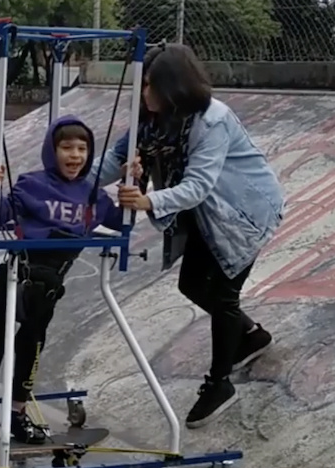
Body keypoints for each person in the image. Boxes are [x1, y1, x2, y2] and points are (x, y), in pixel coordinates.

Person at [94, 44, 285, 429]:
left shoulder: (211, 121)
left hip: (242, 213)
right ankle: (250, 337)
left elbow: (198, 185)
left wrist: (147, 200)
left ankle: (219, 385)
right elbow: (114, 160)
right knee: (192, 285)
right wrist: (61, 185)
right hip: (207, 215)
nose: (143, 94)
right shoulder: (151, 120)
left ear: (173, 87)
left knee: (223, 293)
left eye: (149, 87)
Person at [0, 115, 142, 450]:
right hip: (16, 275)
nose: (75, 156)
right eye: (67, 148)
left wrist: (133, 185)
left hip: (48, 287)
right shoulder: (32, 184)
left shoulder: (94, 197)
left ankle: (17, 414)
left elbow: (123, 222)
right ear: (52, 150)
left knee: (31, 346)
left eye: (82, 148)